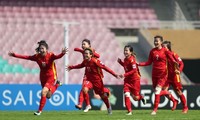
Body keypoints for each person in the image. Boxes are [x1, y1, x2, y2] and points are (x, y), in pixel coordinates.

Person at [8, 40, 68, 115]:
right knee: (48, 95)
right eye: (40, 49)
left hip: (51, 76)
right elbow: (26, 57)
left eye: (43, 48)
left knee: (43, 92)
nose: (41, 50)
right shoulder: (37, 56)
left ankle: (39, 111)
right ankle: (58, 85)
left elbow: (57, 56)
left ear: (46, 49)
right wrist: (15, 55)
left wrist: (62, 53)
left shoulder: (51, 55)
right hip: (42, 77)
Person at [66, 48, 119, 115]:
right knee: (84, 89)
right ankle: (88, 105)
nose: (85, 55)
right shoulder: (85, 61)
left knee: (103, 96)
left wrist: (115, 74)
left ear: (91, 55)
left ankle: (109, 107)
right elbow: (80, 65)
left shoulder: (95, 61)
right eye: (85, 54)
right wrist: (72, 67)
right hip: (89, 80)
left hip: (97, 81)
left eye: (87, 54)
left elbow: (106, 68)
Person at [138, 35, 178, 115]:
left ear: (161, 42)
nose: (155, 42)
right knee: (158, 91)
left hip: (163, 74)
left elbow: (172, 59)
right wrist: (139, 64)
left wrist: (175, 65)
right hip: (154, 74)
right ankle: (172, 98)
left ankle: (154, 110)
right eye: (155, 41)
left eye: (157, 41)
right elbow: (149, 62)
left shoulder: (165, 51)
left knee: (157, 91)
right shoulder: (152, 51)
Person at [118, 45, 146, 115]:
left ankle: (141, 97)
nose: (125, 52)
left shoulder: (132, 59)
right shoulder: (125, 59)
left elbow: (134, 70)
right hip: (127, 80)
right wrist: (121, 62)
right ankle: (129, 111)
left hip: (135, 80)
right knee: (126, 94)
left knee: (136, 98)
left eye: (127, 50)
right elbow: (126, 67)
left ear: (131, 52)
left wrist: (124, 75)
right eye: (124, 50)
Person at [73, 39, 100, 112]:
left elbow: (98, 56)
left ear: (89, 45)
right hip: (87, 73)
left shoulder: (91, 51)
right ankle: (81, 104)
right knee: (83, 88)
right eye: (82, 44)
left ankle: (85, 104)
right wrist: (78, 49)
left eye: (84, 44)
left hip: (94, 75)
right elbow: (76, 49)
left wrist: (92, 52)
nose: (82, 45)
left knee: (98, 92)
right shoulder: (84, 52)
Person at [162, 40, 188, 113]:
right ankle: (174, 100)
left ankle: (185, 107)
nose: (162, 48)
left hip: (174, 77)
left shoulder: (174, 54)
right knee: (164, 91)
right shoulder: (163, 55)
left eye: (164, 47)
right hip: (167, 77)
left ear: (168, 48)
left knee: (179, 92)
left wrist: (179, 70)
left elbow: (181, 63)